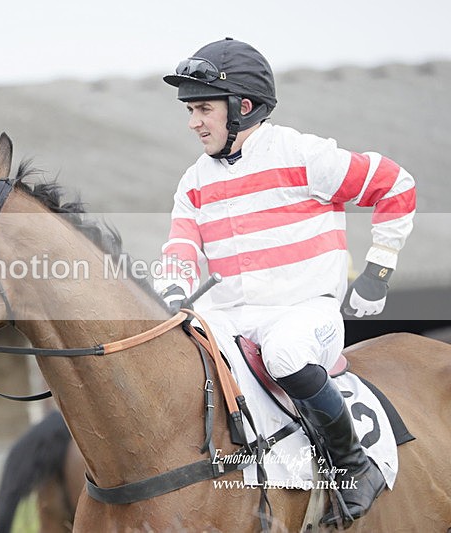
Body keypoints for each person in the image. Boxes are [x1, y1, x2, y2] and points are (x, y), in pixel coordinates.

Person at [155, 37, 415, 525]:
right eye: (190, 109)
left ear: (243, 107)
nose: (193, 122)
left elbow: (395, 184)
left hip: (304, 313)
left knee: (285, 354)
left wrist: (379, 271)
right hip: (228, 318)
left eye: (203, 109)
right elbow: (180, 247)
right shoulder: (193, 181)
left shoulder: (305, 155)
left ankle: (353, 467)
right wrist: (171, 292)